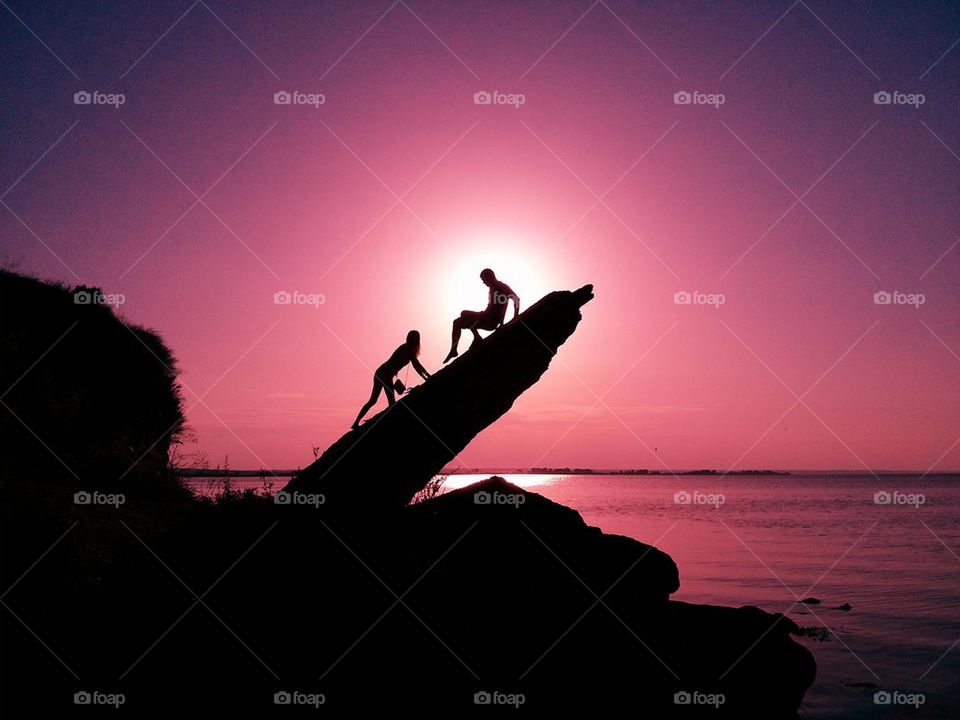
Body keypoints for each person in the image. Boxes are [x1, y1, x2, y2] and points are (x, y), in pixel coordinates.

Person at [352, 330, 431, 429]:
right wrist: (428, 377)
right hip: (385, 374)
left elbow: (416, 367)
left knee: (373, 400)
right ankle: (392, 426)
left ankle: (355, 423)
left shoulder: (405, 348)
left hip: (382, 372)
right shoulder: (408, 350)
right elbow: (417, 367)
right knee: (390, 403)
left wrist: (427, 377)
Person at [443, 268, 519, 363]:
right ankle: (472, 339)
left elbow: (516, 299)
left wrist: (514, 317)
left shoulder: (501, 287)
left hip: (490, 321)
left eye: (484, 280)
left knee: (460, 318)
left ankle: (471, 341)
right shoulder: (494, 287)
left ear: (490, 278)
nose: (483, 283)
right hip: (485, 316)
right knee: (461, 317)